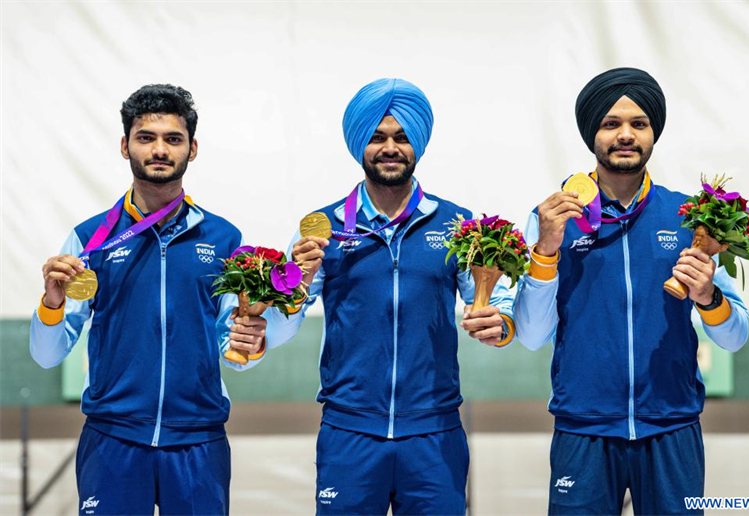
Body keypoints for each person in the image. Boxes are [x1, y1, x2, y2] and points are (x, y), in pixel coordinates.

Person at [268, 78, 516, 515]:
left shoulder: (456, 224)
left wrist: (501, 321)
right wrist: (297, 282)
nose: (390, 147)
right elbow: (279, 328)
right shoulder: (322, 228)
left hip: (433, 431)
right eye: (378, 137)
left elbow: (497, 299)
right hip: (350, 431)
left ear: (418, 145)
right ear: (359, 144)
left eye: (402, 137)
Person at [513, 67, 749, 515]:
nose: (625, 134)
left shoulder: (690, 216)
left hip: (672, 426)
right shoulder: (554, 219)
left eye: (638, 124)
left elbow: (735, 336)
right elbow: (529, 334)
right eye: (610, 123)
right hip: (583, 429)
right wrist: (545, 250)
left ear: (653, 133)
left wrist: (709, 298)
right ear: (592, 135)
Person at [30, 84, 273, 515]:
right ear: (125, 146)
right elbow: (47, 355)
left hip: (199, 440)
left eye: (173, 139)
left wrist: (250, 341)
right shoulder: (91, 239)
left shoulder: (223, 238)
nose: (159, 149)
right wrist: (51, 303)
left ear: (192, 149)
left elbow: (234, 349)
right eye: (146, 137)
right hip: (113, 440)